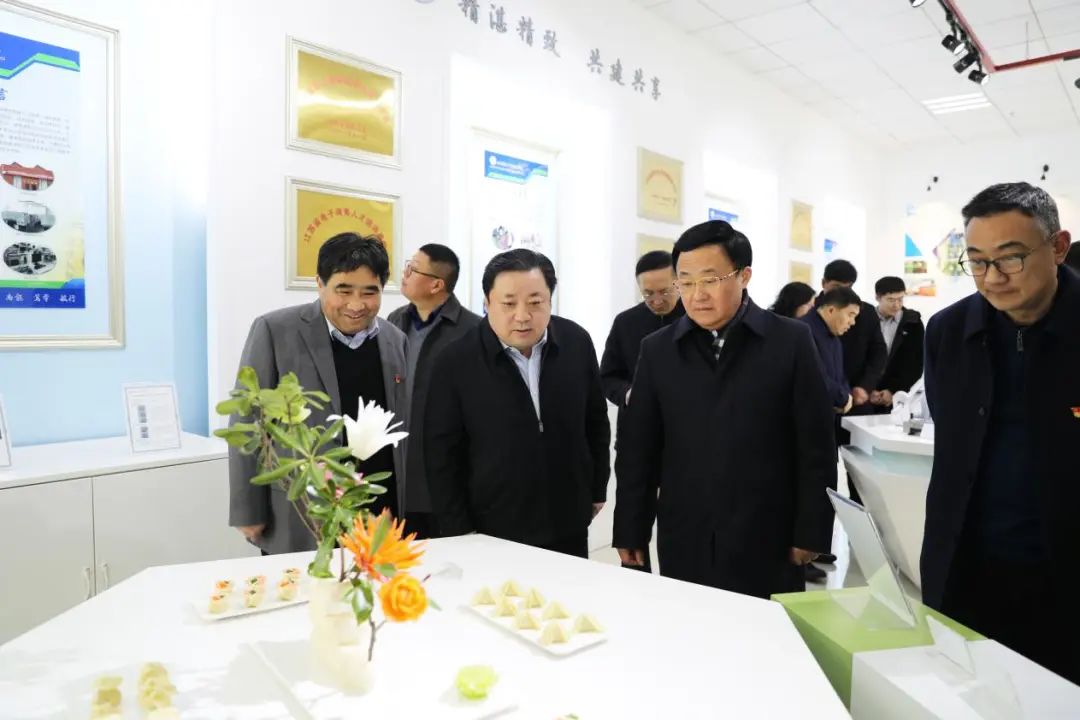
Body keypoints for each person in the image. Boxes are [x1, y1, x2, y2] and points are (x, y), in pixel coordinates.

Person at [612, 220, 837, 599]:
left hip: (768, 531)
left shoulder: (790, 341)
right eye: (685, 282)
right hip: (687, 530)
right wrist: (630, 528)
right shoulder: (658, 349)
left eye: (710, 280)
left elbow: (816, 444)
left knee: (765, 628)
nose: (697, 295)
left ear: (744, 275)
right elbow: (639, 449)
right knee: (689, 623)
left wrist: (811, 531)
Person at [921, 182, 1079, 683]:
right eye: (977, 262)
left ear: (1058, 246)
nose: (992, 278)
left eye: (1010, 258)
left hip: (1064, 581)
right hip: (965, 571)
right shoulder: (947, 332)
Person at [228, 233, 408, 554]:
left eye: (370, 292)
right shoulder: (275, 330)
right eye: (343, 290)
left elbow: (398, 427)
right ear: (320, 283)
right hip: (301, 509)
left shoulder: (395, 340)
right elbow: (246, 421)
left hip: (375, 511)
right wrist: (247, 510)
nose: (356, 304)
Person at [424, 249, 610, 558]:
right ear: (487, 304)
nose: (522, 316)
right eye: (508, 304)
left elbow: (595, 421)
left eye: (535, 302)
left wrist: (597, 488)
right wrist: (459, 530)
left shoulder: (576, 342)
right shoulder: (456, 361)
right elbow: (440, 454)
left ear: (550, 301)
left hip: (568, 520)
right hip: (492, 529)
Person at [386, 244, 481, 538]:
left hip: (448, 477)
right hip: (400, 469)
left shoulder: (473, 330)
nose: (404, 273)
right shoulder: (395, 321)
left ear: (437, 284)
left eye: (413, 269)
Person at [600, 250, 684, 572]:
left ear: (678, 283)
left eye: (664, 291)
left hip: (684, 440)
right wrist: (628, 393)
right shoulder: (626, 323)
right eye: (648, 293)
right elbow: (607, 377)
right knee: (633, 516)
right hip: (637, 434)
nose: (657, 300)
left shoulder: (696, 319)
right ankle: (636, 576)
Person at [821, 260, 887, 416]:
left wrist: (865, 386)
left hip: (857, 398)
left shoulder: (866, 312)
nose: (841, 294)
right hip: (821, 399)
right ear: (824, 283)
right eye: (836, 287)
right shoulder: (810, 311)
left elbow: (878, 352)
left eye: (847, 288)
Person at [802, 286, 861, 414]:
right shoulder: (803, 331)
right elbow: (813, 376)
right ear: (831, 310)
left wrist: (847, 397)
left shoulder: (833, 335)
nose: (852, 322)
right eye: (850, 315)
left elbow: (840, 376)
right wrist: (842, 398)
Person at [869, 276, 925, 411]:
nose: (896, 305)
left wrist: (893, 391)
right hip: (864, 394)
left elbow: (915, 363)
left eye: (900, 299)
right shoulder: (864, 319)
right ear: (878, 297)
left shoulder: (913, 323)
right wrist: (865, 389)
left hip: (896, 397)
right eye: (891, 300)